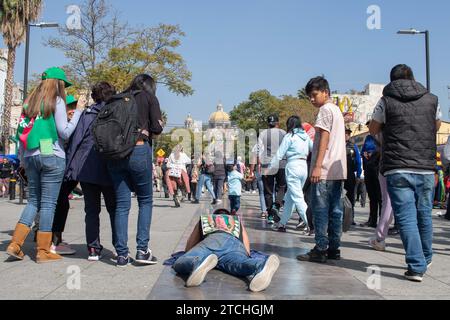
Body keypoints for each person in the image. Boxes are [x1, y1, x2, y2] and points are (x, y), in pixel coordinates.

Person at [370, 64, 441, 282]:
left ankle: (416, 266)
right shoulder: (432, 99)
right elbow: (436, 125)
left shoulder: (385, 101)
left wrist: (387, 134)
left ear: (391, 81)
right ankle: (425, 257)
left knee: (406, 218)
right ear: (413, 77)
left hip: (397, 166)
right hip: (426, 167)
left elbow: (373, 128)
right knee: (424, 214)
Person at [7, 67, 86, 263]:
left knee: (34, 201)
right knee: (49, 204)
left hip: (31, 155)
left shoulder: (29, 102)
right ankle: (43, 250)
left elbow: (22, 134)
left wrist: (24, 159)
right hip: (52, 155)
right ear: (58, 84)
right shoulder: (57, 101)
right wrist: (78, 113)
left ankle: (15, 244)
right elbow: (64, 132)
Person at [106, 74, 164, 267]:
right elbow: (156, 127)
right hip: (139, 149)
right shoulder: (148, 98)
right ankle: (142, 250)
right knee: (145, 200)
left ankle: (122, 254)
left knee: (122, 205)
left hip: (116, 154)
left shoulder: (118, 98)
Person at [64, 82, 117, 261]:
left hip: (88, 168)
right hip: (110, 168)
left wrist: (71, 167)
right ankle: (119, 247)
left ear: (94, 97)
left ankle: (93, 249)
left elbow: (76, 141)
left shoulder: (86, 115)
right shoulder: (116, 114)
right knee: (115, 209)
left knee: (91, 210)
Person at [297, 76, 347, 263]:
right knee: (335, 211)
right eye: (309, 96)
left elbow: (324, 138)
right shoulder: (336, 110)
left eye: (314, 95)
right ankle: (334, 248)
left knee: (320, 210)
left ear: (325, 92)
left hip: (325, 169)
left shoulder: (325, 110)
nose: (311, 99)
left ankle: (320, 248)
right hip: (337, 169)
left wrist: (317, 166)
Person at [172, 208, 280, 292]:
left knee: (181, 261)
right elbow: (247, 248)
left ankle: (196, 262)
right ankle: (259, 265)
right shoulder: (237, 221)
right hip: (234, 245)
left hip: (213, 241)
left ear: (214, 214)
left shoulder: (205, 218)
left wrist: (192, 251)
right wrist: (244, 255)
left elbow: (189, 246)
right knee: (239, 264)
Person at [50, 95, 84, 256]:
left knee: (56, 201)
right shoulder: (66, 123)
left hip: (62, 165)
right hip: (63, 166)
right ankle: (54, 240)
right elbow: (67, 137)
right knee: (60, 202)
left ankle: (50, 237)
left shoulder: (55, 120)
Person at [269, 116, 313, 233]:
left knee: (297, 197)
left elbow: (279, 153)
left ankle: (311, 225)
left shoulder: (290, 136)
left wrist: (270, 168)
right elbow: (313, 148)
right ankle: (282, 224)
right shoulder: (305, 136)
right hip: (304, 166)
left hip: (293, 166)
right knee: (290, 198)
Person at [250, 115, 287, 224]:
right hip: (282, 163)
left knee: (268, 191)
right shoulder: (283, 133)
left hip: (267, 164)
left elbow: (259, 150)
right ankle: (277, 205)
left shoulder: (263, 134)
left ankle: (271, 215)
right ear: (277, 122)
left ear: (268, 123)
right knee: (281, 187)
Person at [361, 124, 382, 228]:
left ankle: (382, 221)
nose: (370, 127)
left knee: (380, 196)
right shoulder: (368, 137)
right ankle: (372, 220)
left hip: (378, 169)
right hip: (368, 168)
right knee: (372, 197)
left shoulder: (381, 136)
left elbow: (382, 150)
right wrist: (364, 154)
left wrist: (372, 154)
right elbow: (362, 150)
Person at [344, 126, 362, 225]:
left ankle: (351, 218)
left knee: (350, 197)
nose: (346, 135)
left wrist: (358, 175)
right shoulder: (337, 145)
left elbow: (358, 161)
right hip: (339, 174)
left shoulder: (353, 146)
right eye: (345, 133)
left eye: (348, 133)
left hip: (350, 174)